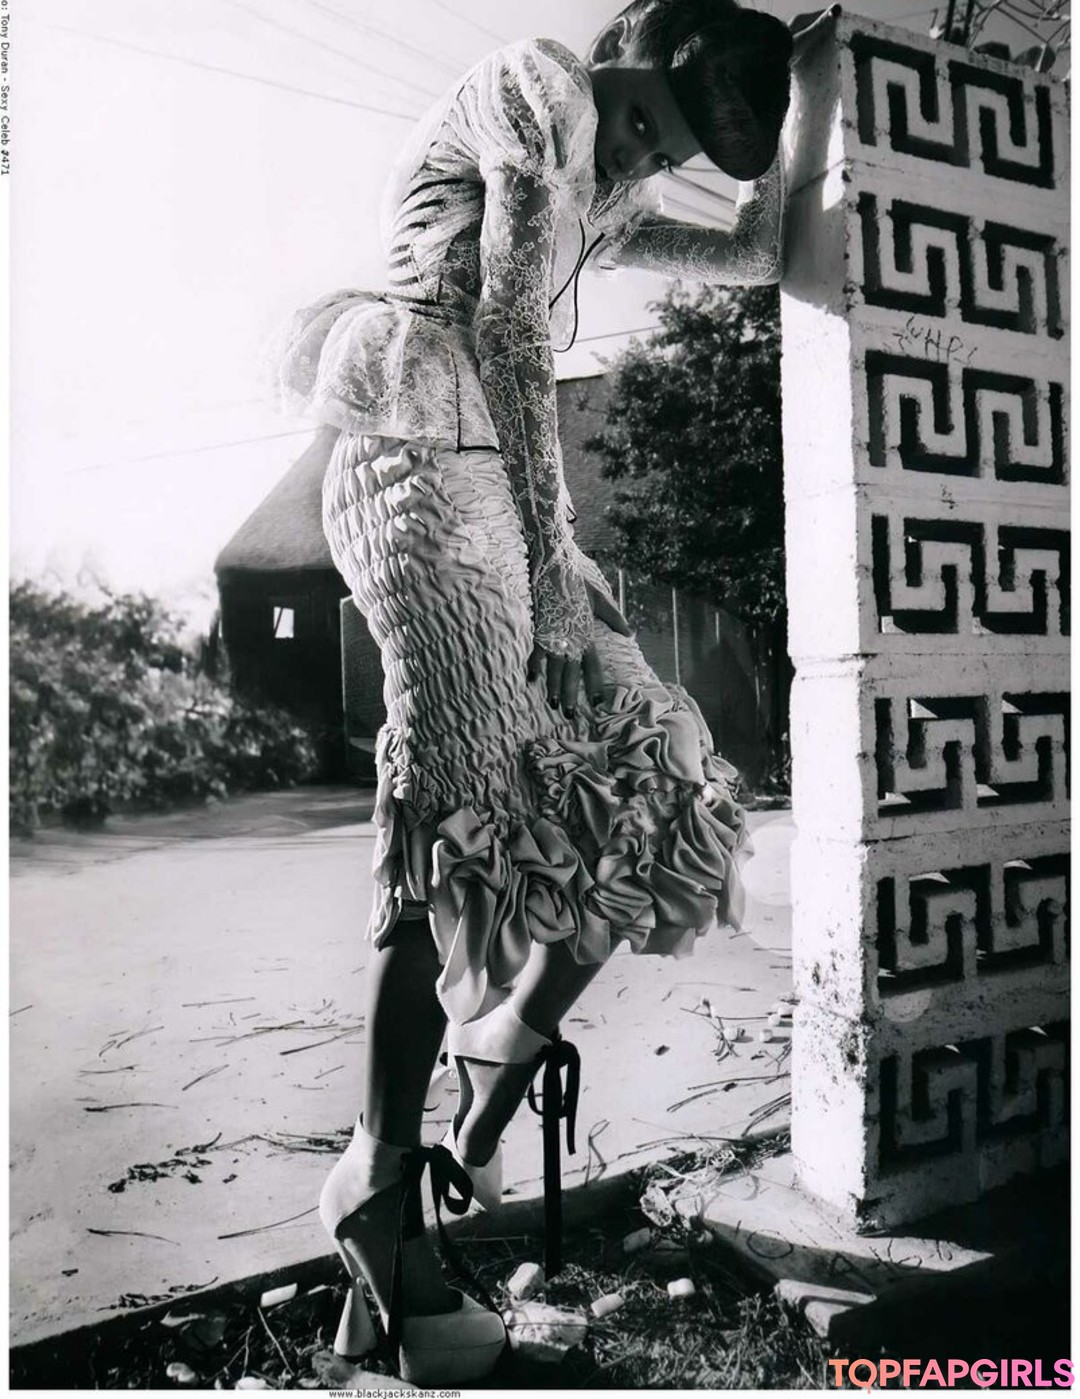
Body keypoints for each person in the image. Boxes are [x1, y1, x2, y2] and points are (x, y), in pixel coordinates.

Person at [274, 0, 807, 1382]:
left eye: (661, 152)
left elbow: (754, 252)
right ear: (625, 52)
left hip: (517, 510)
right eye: (641, 123)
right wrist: (558, 585)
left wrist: (812, 89)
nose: (634, 158)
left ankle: (501, 1045)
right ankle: (379, 1188)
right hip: (412, 461)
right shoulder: (539, 85)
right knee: (452, 816)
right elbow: (511, 325)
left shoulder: (610, 195)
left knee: (669, 777)